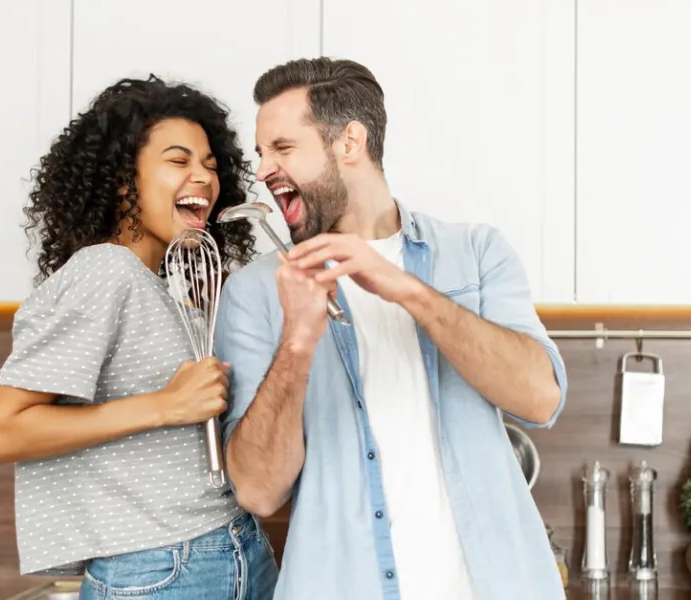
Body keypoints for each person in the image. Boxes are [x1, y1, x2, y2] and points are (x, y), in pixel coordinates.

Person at [213, 57, 569, 600]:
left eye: (283, 149)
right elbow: (260, 490)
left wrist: (407, 289)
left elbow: (541, 398)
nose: (262, 170)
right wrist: (298, 340)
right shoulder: (255, 292)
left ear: (349, 143)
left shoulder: (474, 254)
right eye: (262, 153)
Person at [0, 75, 278, 600]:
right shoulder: (104, 270)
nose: (203, 177)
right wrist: (165, 405)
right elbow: (0, 433)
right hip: (163, 568)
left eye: (210, 164)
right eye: (179, 161)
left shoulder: (165, 283)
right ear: (122, 180)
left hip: (235, 549)